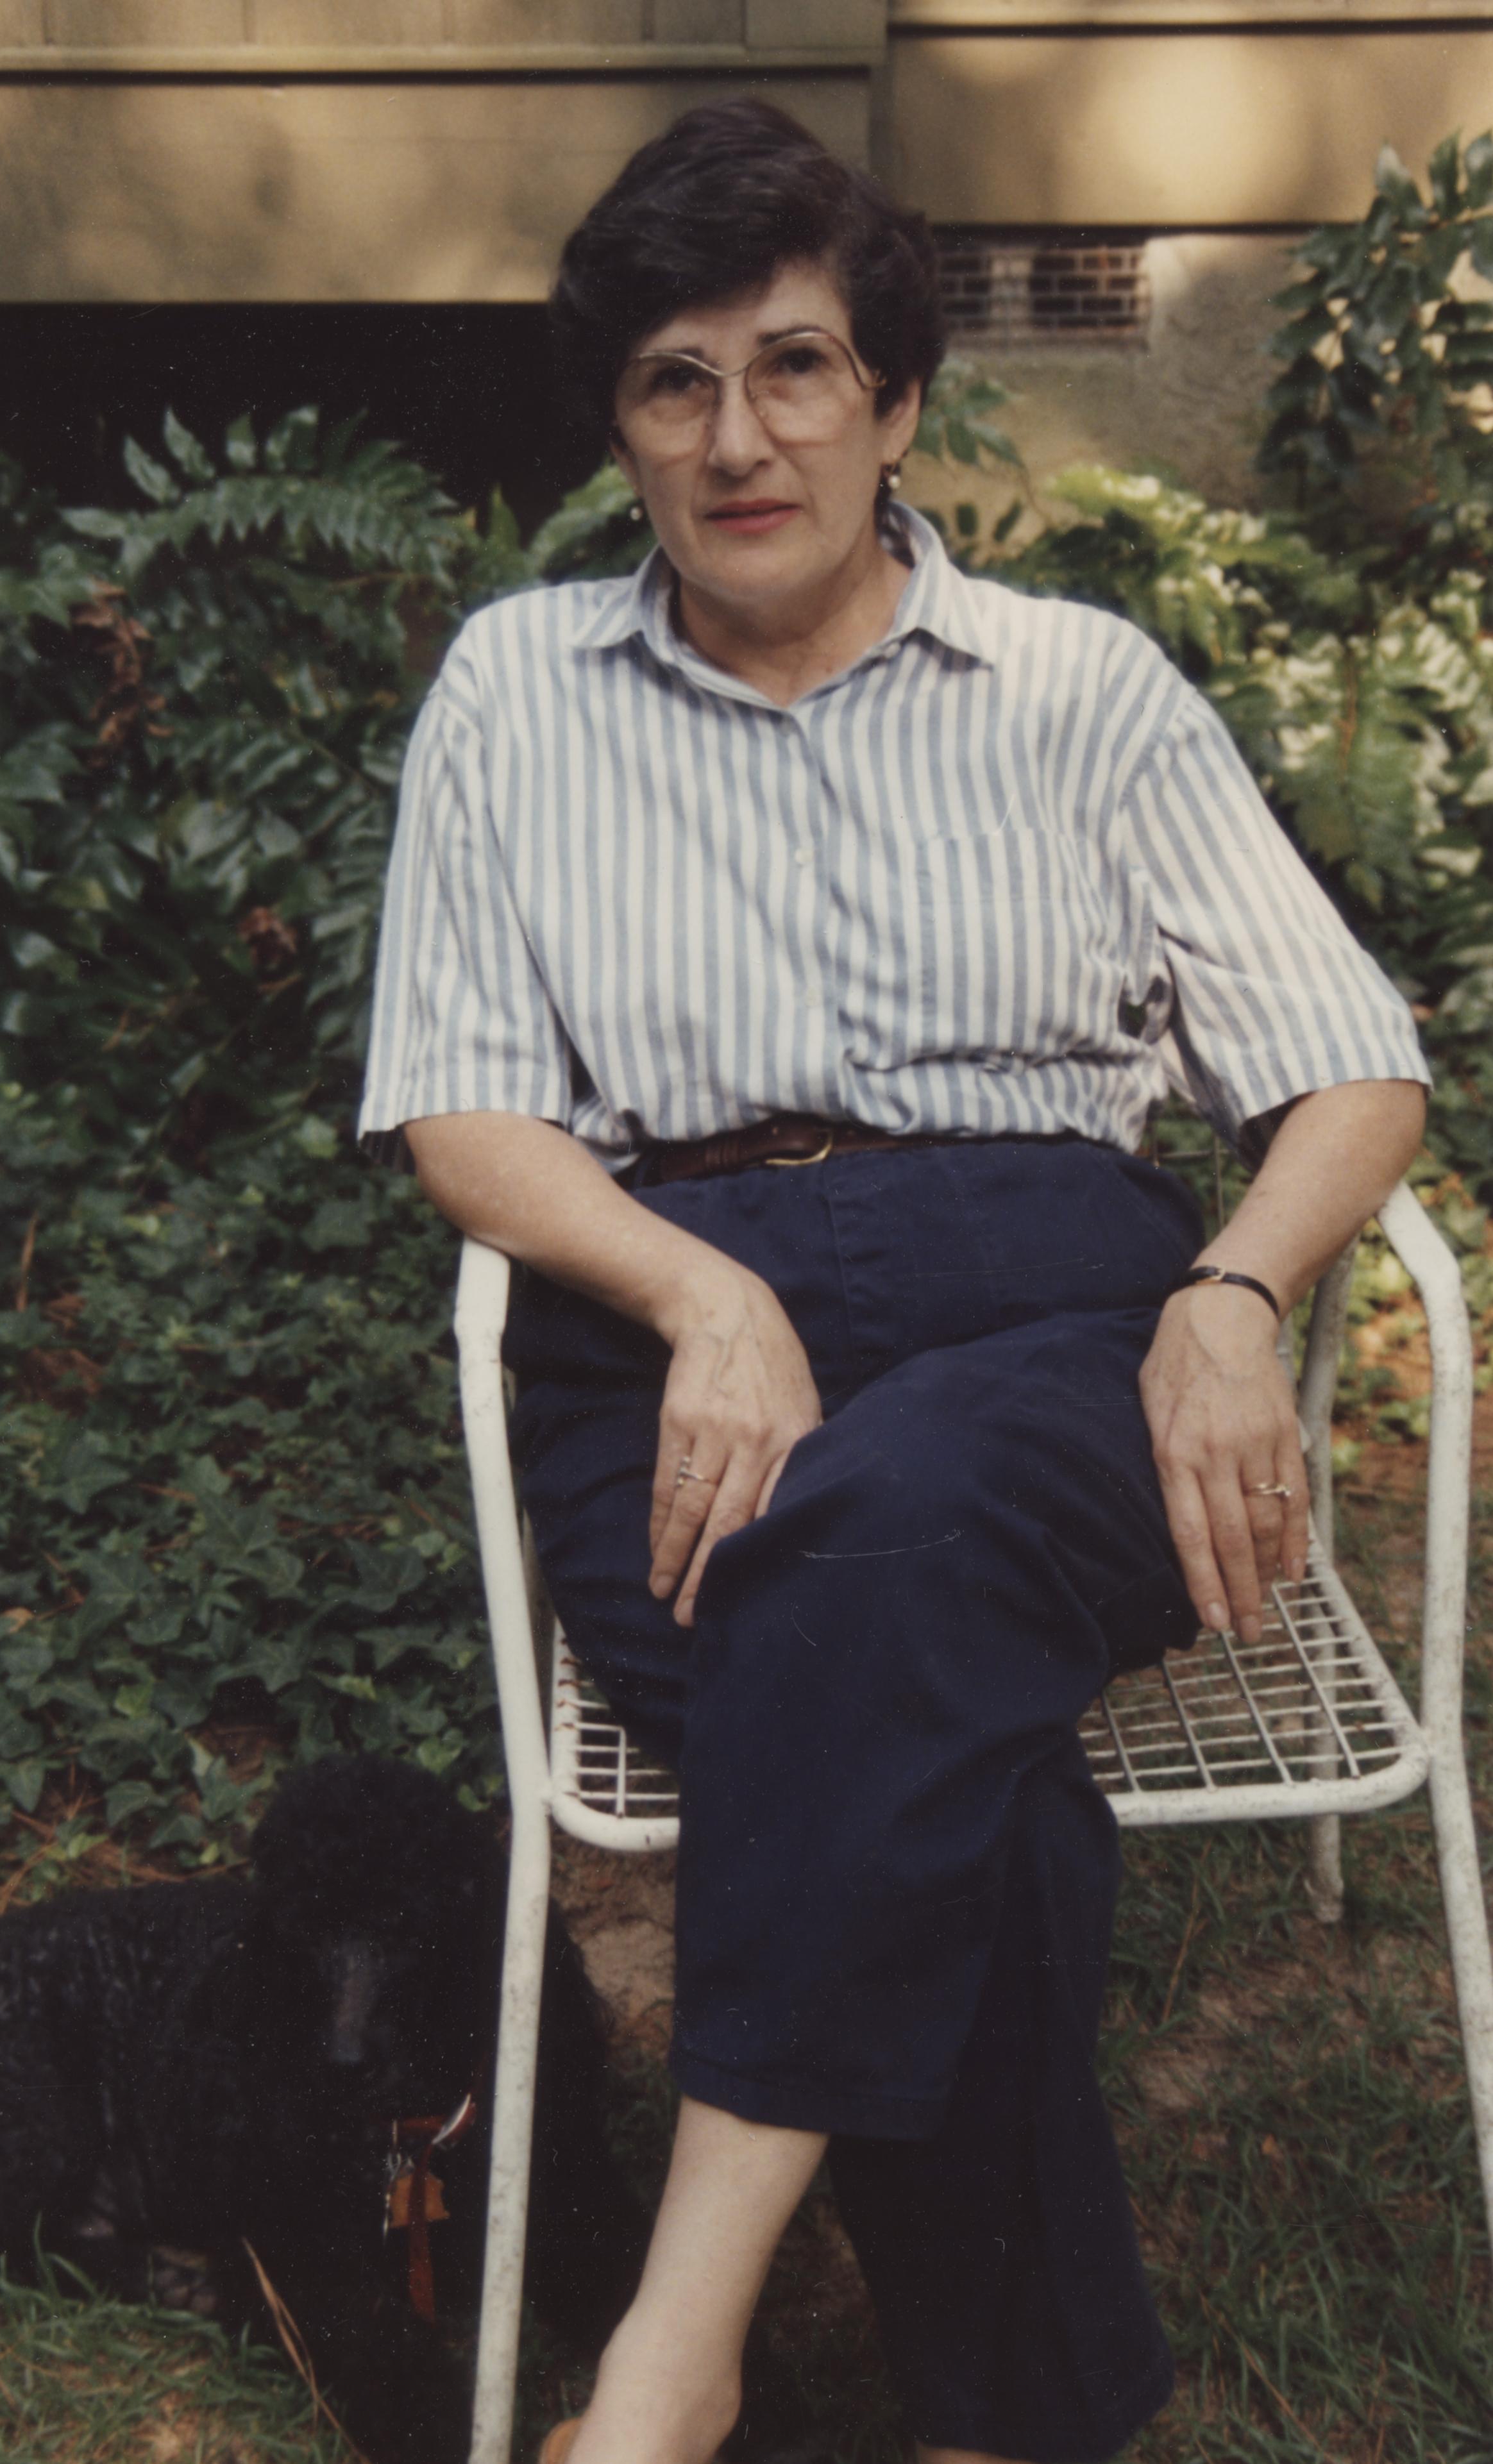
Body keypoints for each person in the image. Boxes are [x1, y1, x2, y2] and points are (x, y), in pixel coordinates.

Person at [359, 99, 1429, 2464]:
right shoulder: (519, 693)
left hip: (1063, 1317)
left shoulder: (1082, 691)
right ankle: (1005, 2424)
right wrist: (702, 1296)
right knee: (964, 1758)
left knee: (893, 1542)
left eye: (796, 367)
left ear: (898, 401)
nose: (738, 437)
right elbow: (462, 1116)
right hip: (667, 1325)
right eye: (675, 382)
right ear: (622, 431)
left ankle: (674, 2352)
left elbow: (1355, 1068)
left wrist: (1237, 1293)